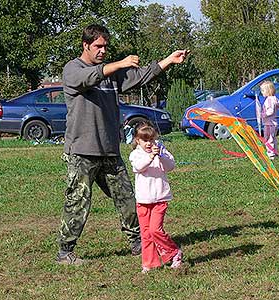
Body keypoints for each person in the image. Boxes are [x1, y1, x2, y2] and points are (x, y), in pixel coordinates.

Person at [56, 24, 189, 265]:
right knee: (78, 201)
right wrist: (119, 63)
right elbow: (89, 77)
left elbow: (140, 76)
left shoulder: (112, 75)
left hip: (109, 149)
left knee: (128, 198)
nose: (103, 50)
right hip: (82, 151)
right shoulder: (73, 69)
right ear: (85, 45)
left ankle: (140, 242)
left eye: (106, 46)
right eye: (98, 46)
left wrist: (168, 60)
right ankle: (65, 252)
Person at [129, 121, 182, 273]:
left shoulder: (161, 149)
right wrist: (151, 157)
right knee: (146, 234)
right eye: (145, 140)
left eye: (151, 139)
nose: (149, 143)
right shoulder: (136, 154)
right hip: (143, 201)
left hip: (160, 198)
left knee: (155, 230)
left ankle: (173, 252)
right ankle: (149, 263)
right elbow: (139, 167)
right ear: (137, 140)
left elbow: (170, 166)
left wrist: (160, 155)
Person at [260, 81, 279, 159]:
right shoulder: (274, 98)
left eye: (263, 90)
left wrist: (263, 115)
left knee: (269, 138)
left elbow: (270, 111)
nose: (262, 92)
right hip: (273, 123)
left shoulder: (269, 99)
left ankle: (271, 153)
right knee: (273, 138)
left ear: (268, 90)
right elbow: (277, 107)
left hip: (269, 123)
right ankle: (275, 151)